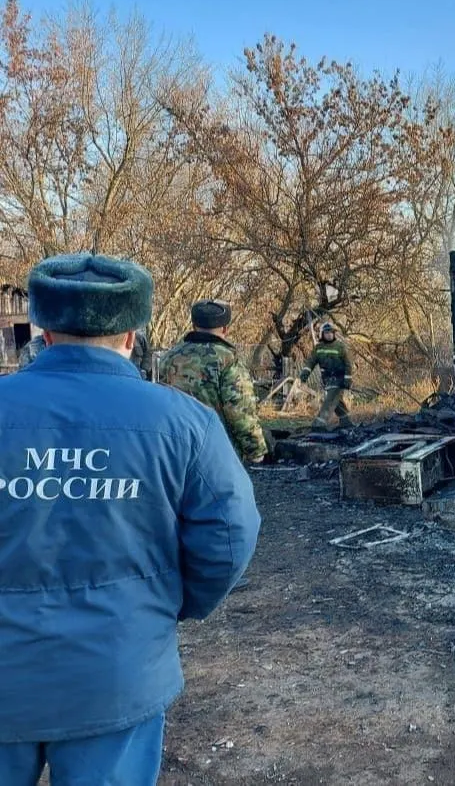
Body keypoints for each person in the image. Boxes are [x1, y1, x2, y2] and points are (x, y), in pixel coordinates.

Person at [0, 253, 260, 785]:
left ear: (44, 331)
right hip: (118, 668)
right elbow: (231, 535)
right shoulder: (185, 423)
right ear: (132, 334)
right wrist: (170, 604)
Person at [158, 299, 268, 465]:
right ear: (225, 329)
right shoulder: (228, 360)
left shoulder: (169, 358)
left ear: (194, 326)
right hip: (216, 453)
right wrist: (255, 450)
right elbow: (239, 411)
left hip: (174, 449)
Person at [298, 321, 354, 430]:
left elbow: (348, 364)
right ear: (322, 334)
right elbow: (310, 363)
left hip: (340, 379)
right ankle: (346, 422)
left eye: (331, 332)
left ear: (334, 334)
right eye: (327, 333)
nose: (329, 335)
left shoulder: (340, 346)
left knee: (330, 400)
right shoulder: (318, 348)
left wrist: (348, 379)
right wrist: (304, 375)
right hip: (327, 379)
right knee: (337, 402)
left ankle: (318, 424)